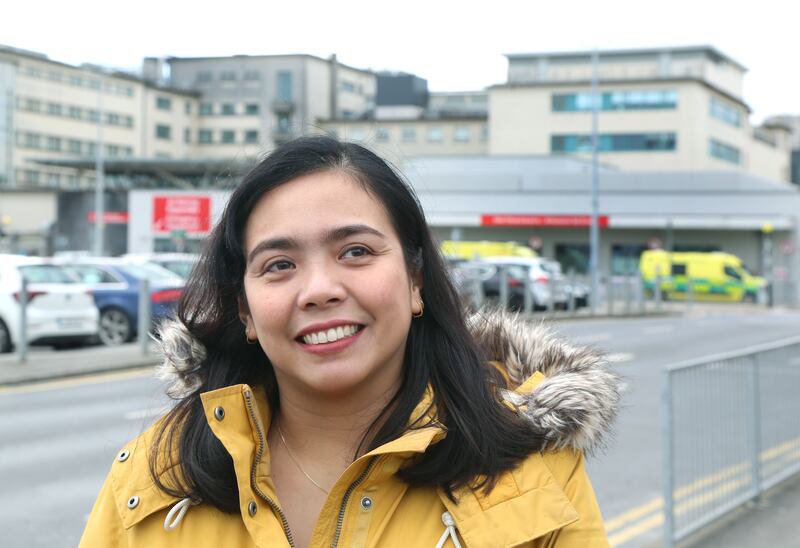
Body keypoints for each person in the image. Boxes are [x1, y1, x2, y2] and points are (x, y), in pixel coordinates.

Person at [80, 136, 621, 547]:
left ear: (415, 281)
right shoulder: (154, 474)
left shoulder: (533, 471)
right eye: (280, 264)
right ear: (244, 308)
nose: (318, 290)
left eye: (356, 252)